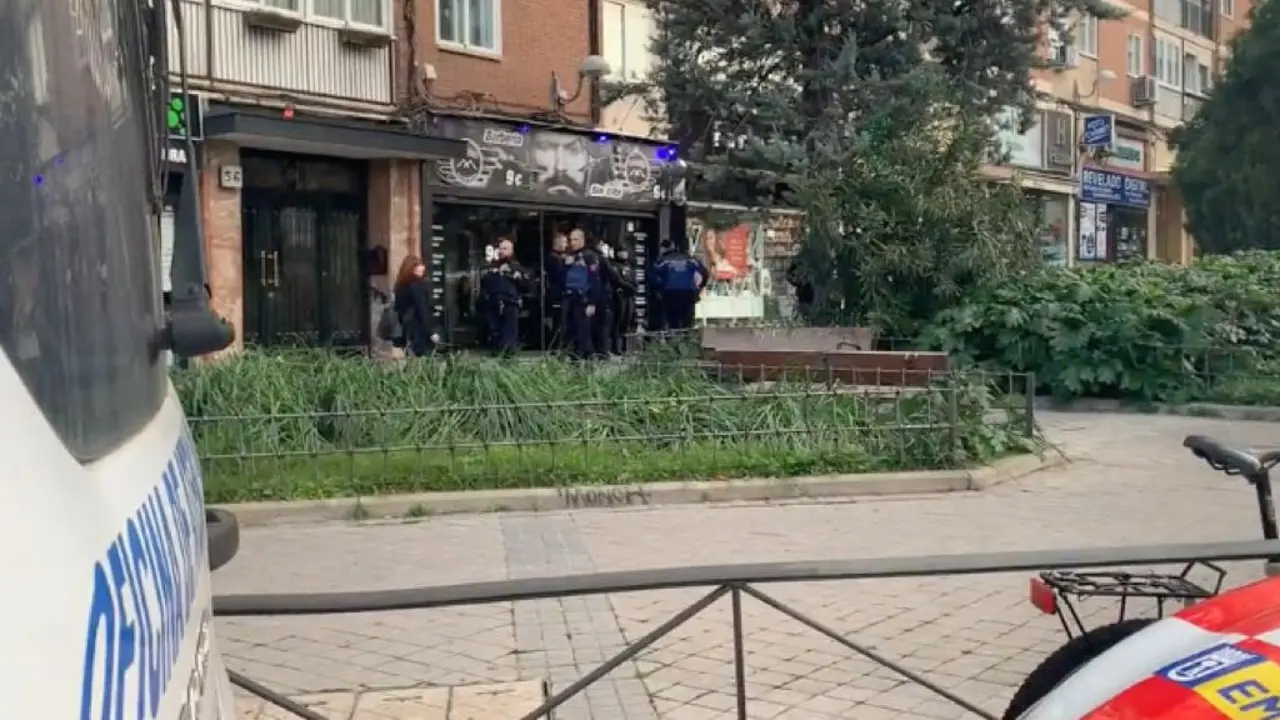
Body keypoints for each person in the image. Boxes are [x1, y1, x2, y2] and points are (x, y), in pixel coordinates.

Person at [479, 237, 528, 355]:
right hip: (494, 303)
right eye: (500, 249)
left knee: (509, 334)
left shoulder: (517, 267)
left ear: (511, 251)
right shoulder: (491, 266)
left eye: (505, 249)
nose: (501, 251)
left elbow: (526, 285)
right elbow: (484, 282)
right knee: (495, 333)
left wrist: (511, 273)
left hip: (510, 303)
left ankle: (509, 355)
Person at [651, 240, 707, 333]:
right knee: (687, 318)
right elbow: (703, 273)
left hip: (669, 292)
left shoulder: (662, 261)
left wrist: (658, 290)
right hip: (688, 292)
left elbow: (654, 277)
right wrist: (699, 288)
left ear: (663, 249)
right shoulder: (690, 259)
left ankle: (673, 336)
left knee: (671, 318)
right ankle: (686, 336)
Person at [562, 229, 602, 359]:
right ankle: (573, 358)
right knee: (569, 332)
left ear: (582, 240)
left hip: (583, 299)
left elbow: (595, 280)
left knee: (583, 333)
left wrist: (592, 302)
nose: (573, 243)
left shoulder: (589, 256)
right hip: (569, 298)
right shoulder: (569, 257)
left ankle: (589, 359)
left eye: (575, 239)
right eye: (571, 240)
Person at [393, 255, 432, 357]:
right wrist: (430, 331)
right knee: (422, 357)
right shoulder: (417, 285)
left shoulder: (400, 286)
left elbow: (398, 307)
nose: (423, 268)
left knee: (411, 356)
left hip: (406, 329)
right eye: (419, 265)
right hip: (418, 329)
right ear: (412, 268)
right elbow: (422, 310)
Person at [610, 246, 639, 354]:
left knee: (628, 321)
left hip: (629, 297)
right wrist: (631, 288)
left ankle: (626, 347)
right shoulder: (614, 266)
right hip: (619, 297)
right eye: (621, 252)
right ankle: (616, 347)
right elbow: (618, 281)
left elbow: (634, 280)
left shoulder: (629, 266)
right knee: (618, 321)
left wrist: (633, 288)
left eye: (625, 252)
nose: (624, 254)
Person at [544, 230, 569, 349]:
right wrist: (566, 264)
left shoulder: (559, 257)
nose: (566, 245)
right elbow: (560, 275)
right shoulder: (553, 258)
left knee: (562, 321)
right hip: (557, 294)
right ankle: (556, 346)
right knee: (559, 322)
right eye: (564, 242)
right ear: (557, 243)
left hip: (561, 293)